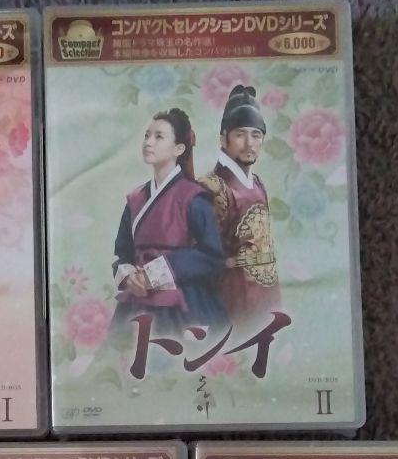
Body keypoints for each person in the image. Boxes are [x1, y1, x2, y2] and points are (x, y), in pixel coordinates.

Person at [109, 108, 228, 339]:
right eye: (147, 135)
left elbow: (212, 256)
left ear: (179, 149)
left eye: (159, 137)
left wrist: (155, 274)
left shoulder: (193, 197)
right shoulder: (135, 199)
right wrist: (130, 277)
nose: (148, 142)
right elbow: (123, 253)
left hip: (182, 302)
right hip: (137, 300)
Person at [198, 85, 281, 330]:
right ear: (223, 138)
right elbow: (199, 256)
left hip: (267, 293)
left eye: (256, 135)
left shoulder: (257, 183)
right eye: (240, 134)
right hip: (231, 298)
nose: (249, 143)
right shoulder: (212, 186)